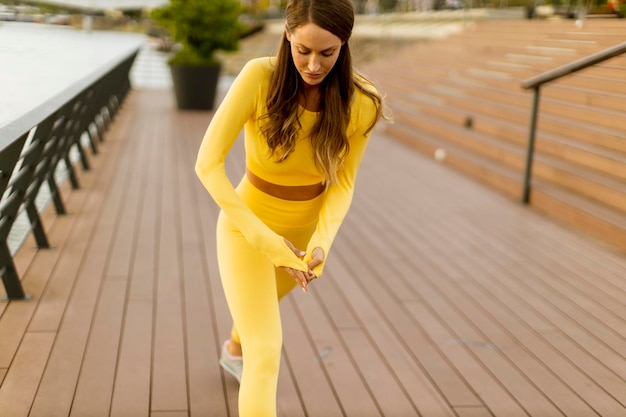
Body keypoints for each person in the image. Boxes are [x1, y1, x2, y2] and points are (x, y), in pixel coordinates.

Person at [194, 0, 387, 415]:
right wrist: (263, 239)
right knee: (265, 350)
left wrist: (322, 241)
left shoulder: (362, 101)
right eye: (303, 50)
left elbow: (344, 183)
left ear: (344, 45)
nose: (314, 65)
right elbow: (206, 165)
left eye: (327, 53)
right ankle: (240, 351)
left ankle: (232, 347)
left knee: (255, 315)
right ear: (287, 35)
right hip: (247, 228)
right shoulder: (258, 78)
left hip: (302, 238)